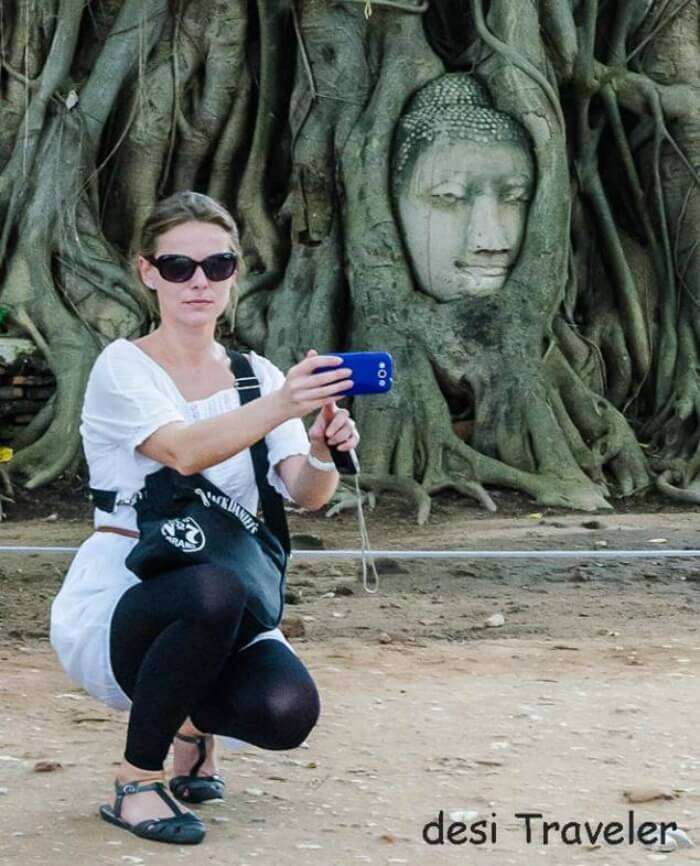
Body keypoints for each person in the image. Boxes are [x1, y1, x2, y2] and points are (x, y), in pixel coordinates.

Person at [49, 190, 359, 845]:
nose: (198, 283)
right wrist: (283, 404)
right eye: (179, 266)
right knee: (209, 593)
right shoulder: (123, 367)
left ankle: (192, 729)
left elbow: (307, 494)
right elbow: (182, 451)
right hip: (135, 585)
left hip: (225, 581)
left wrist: (325, 447)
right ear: (147, 272)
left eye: (217, 266)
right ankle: (136, 782)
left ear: (235, 273)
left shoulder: (256, 374)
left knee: (286, 712)